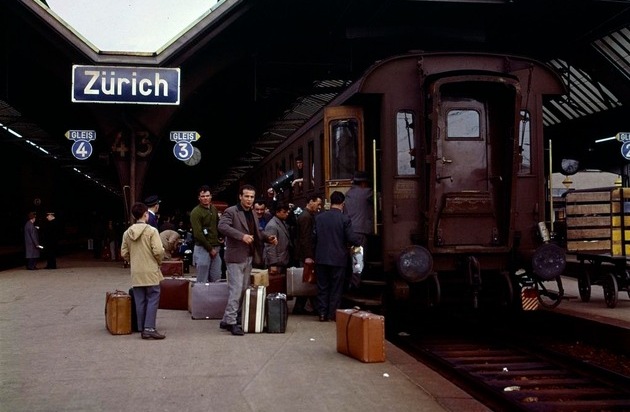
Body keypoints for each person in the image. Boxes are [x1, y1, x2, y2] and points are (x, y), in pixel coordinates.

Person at [218, 184, 278, 336]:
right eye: (246, 196)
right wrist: (241, 236)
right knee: (236, 289)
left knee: (243, 289)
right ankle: (231, 321)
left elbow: (258, 232)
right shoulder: (231, 211)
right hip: (235, 257)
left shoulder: (252, 213)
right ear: (240, 196)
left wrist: (268, 238)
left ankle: (227, 319)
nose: (249, 199)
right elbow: (222, 226)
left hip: (249, 256)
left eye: (252, 197)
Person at [314, 191, 361, 322]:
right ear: (342, 204)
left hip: (321, 258)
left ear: (331, 202)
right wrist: (358, 241)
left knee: (322, 287)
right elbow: (351, 238)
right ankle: (332, 314)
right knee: (336, 288)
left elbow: (314, 238)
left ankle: (322, 313)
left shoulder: (319, 218)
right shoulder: (344, 219)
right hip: (338, 259)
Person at [121, 202, 166, 340]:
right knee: (152, 298)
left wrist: (133, 260)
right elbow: (158, 251)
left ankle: (142, 327)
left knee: (139, 300)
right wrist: (158, 261)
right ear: (146, 214)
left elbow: (124, 253)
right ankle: (149, 328)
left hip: (136, 272)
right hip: (151, 270)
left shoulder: (127, 233)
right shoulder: (152, 231)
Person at [293, 194, 323, 315]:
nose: (319, 207)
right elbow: (305, 239)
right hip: (305, 255)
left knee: (306, 281)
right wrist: (308, 256)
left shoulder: (307, 216)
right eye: (318, 204)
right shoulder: (306, 217)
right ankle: (301, 307)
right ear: (311, 201)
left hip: (304, 254)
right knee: (307, 281)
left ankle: (300, 307)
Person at [190, 185, 223, 282]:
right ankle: (201, 292)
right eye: (203, 196)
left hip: (215, 247)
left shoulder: (213, 209)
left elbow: (218, 225)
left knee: (216, 276)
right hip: (202, 248)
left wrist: (221, 237)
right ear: (199, 198)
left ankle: (215, 292)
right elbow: (198, 234)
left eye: (207, 196)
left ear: (211, 196)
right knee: (202, 278)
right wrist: (210, 249)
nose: (205, 198)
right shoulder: (196, 212)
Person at [263, 202, 292, 270]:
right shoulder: (272, 226)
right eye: (284, 212)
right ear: (277, 212)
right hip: (277, 262)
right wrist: (273, 264)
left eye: (287, 212)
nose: (287, 214)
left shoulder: (282, 222)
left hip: (282, 260)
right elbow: (270, 247)